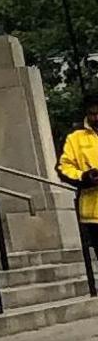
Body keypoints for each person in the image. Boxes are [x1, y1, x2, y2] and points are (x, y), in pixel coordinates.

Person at [58, 96, 98, 252]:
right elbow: (64, 167)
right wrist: (84, 177)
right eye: (92, 114)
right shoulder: (75, 138)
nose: (96, 118)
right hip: (94, 214)